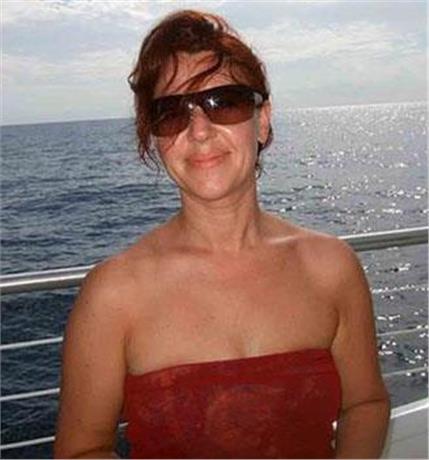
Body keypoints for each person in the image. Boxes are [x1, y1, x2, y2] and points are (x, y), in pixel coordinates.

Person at [54, 9, 391, 459]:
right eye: (171, 113)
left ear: (262, 120)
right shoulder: (113, 294)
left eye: (224, 102)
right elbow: (81, 449)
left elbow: (365, 403)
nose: (199, 130)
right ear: (155, 138)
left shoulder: (332, 267)